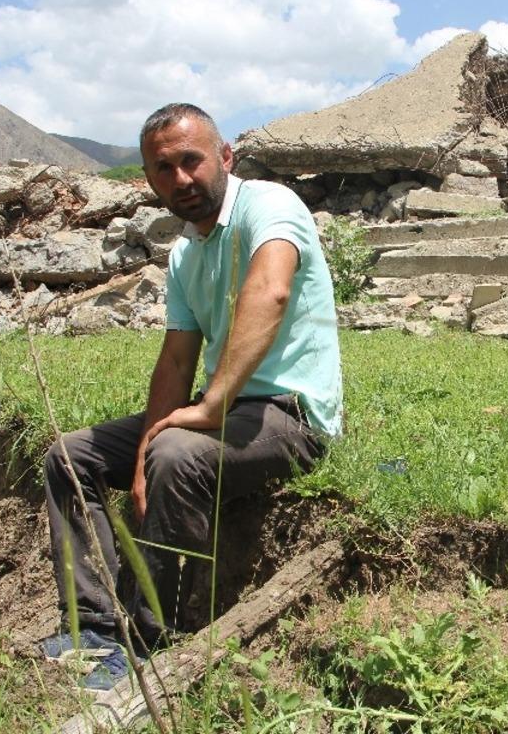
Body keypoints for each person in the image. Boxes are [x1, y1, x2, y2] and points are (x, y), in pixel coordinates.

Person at [38, 103, 342, 691]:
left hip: (290, 414)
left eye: (191, 160)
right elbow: (177, 360)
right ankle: (95, 625)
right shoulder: (185, 252)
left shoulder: (269, 206)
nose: (180, 178)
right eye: (163, 168)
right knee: (70, 457)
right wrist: (143, 452)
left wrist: (208, 408)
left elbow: (271, 291)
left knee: (176, 453)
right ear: (148, 179)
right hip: (225, 409)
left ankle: (151, 643)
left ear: (225, 157)